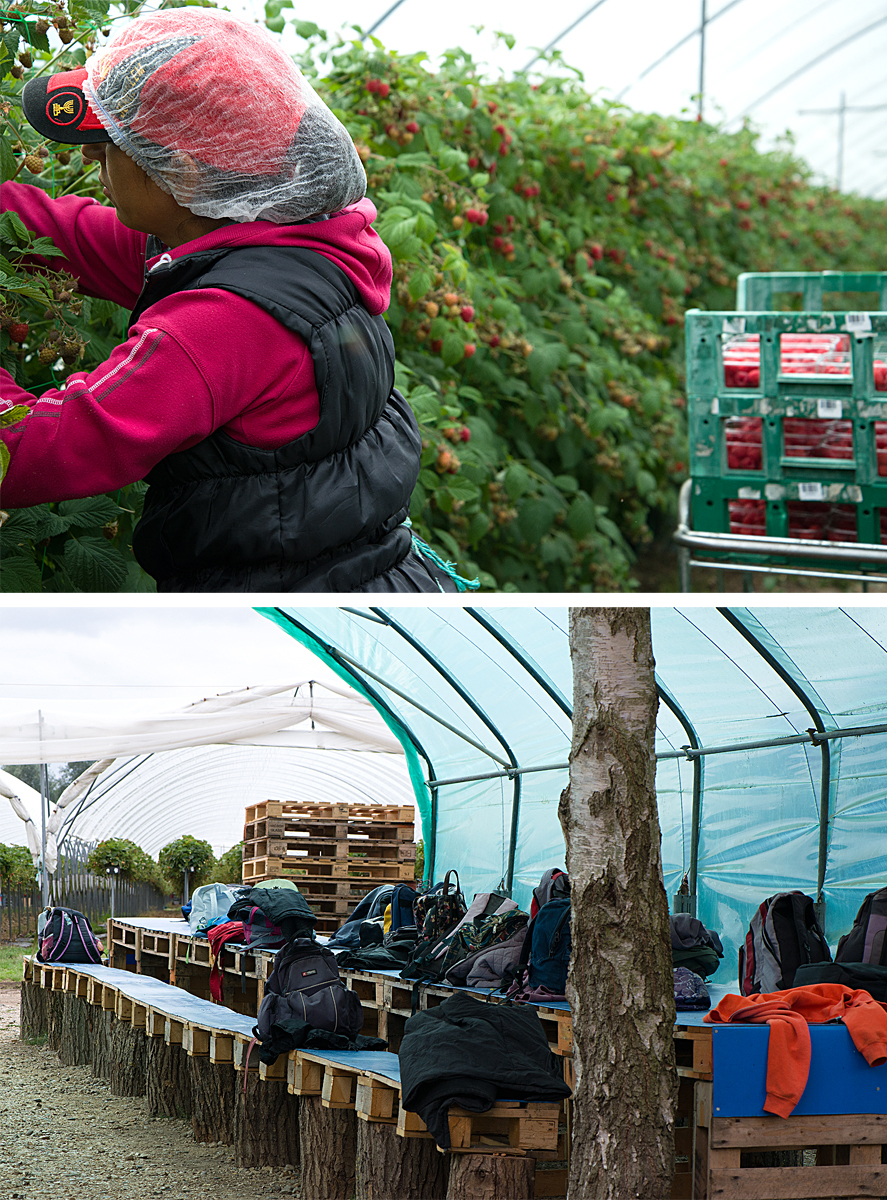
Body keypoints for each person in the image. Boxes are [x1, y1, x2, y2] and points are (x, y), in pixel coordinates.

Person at [0, 9, 461, 592]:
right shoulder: (284, 233)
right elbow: (70, 234)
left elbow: (50, 443)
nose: (92, 159)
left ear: (185, 176)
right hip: (365, 566)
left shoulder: (225, 323)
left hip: (284, 593)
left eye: (110, 142)